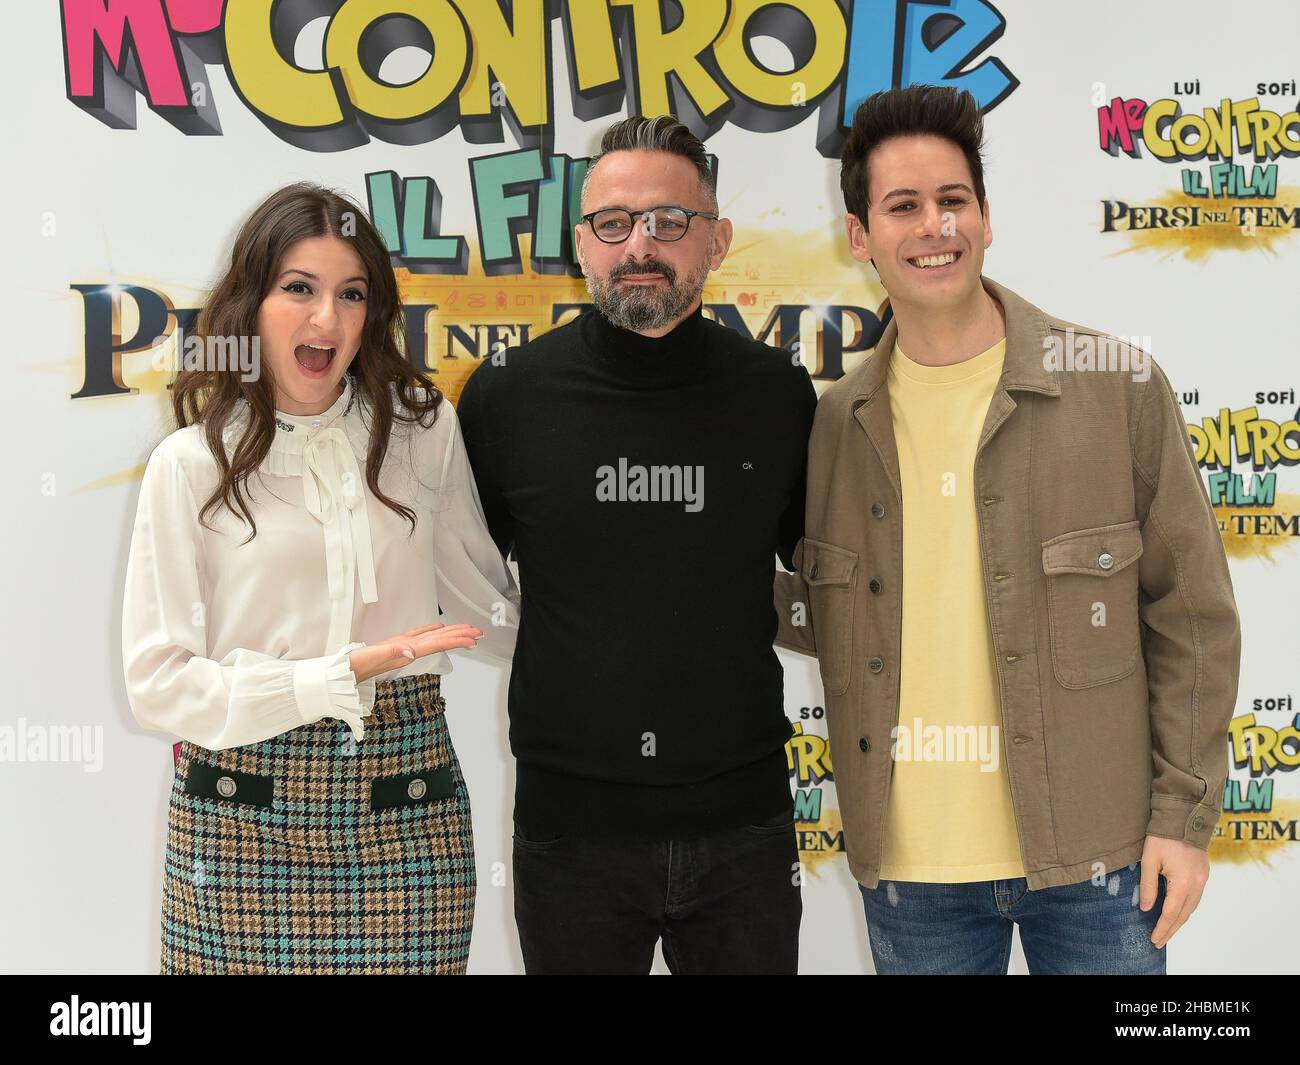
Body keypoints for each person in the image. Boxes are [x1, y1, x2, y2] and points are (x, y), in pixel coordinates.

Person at [775, 85, 1241, 975]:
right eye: (901, 206)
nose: (933, 225)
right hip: (913, 879)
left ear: (987, 217)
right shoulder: (835, 425)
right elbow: (818, 611)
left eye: (953, 200)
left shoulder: (1117, 388)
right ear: (860, 237)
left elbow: (1194, 618)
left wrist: (1182, 820)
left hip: (1101, 862)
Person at [121, 181, 519, 974]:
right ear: (252, 303)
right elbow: (157, 684)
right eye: (298, 288)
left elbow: (490, 603)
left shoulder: (424, 430)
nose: (326, 320)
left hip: (405, 810)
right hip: (239, 820)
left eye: (352, 294)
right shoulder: (190, 463)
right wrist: (331, 678)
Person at [457, 115, 818, 974]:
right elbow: (460, 579)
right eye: (613, 224)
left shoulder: (778, 396)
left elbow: (833, 576)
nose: (640, 245)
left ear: (717, 240)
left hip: (746, 826)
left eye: (669, 220)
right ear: (580, 243)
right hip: (569, 831)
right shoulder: (509, 397)